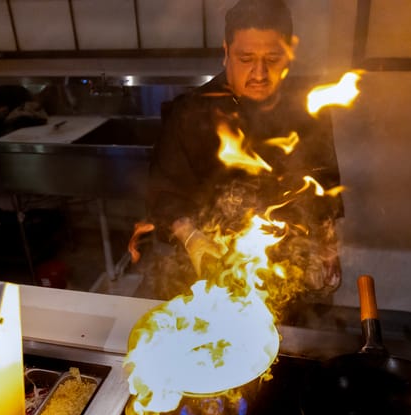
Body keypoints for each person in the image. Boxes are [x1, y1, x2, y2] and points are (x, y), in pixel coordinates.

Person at [145, 0, 343, 314]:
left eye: (273, 58)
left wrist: (328, 246)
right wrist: (194, 238)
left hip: (288, 274)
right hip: (211, 277)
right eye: (246, 58)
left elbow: (323, 182)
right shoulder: (190, 112)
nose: (260, 73)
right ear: (226, 51)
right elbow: (164, 193)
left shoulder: (310, 109)